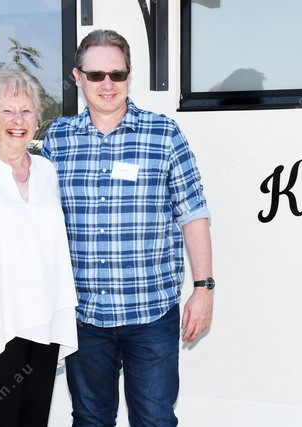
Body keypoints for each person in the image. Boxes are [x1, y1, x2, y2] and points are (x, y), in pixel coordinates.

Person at [42, 29, 215, 426]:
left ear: (129, 75)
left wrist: (203, 289)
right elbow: (39, 219)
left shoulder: (164, 134)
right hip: (83, 316)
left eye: (117, 74)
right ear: (78, 77)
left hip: (151, 313)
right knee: (90, 420)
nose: (107, 84)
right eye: (96, 74)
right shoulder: (58, 139)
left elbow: (193, 213)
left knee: (154, 419)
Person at [0, 69, 78, 427]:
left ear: (37, 118)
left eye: (26, 110)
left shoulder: (48, 171)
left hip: (45, 321)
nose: (18, 120)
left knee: (34, 419)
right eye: (7, 111)